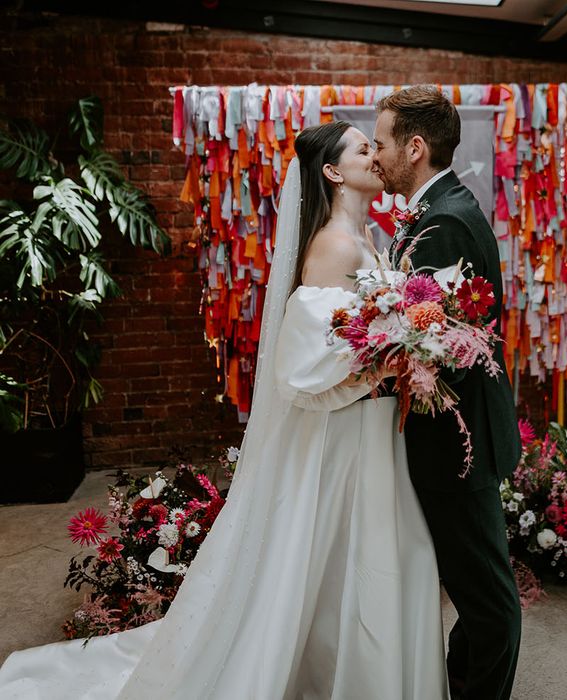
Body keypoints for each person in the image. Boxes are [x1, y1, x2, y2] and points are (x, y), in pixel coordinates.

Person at [0, 121, 449, 699]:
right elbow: (304, 368)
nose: (376, 154)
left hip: (374, 428)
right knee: (337, 562)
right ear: (333, 172)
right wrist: (385, 364)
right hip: (347, 432)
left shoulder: (372, 240)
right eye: (364, 148)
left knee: (358, 559)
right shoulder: (336, 246)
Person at [373, 86, 523, 700]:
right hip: (451, 438)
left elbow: (438, 348)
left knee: (488, 599)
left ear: (415, 147)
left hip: (456, 445)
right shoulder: (442, 211)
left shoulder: (444, 224)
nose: (376, 156)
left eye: (381, 143)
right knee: (472, 582)